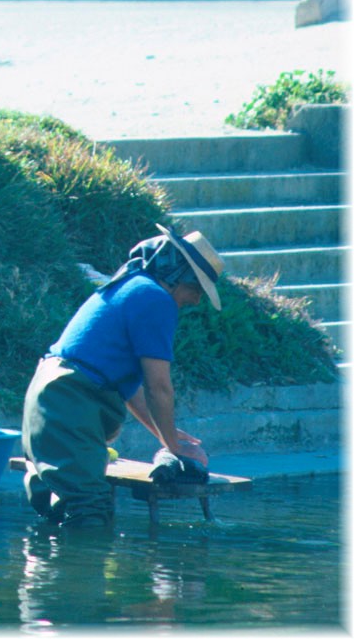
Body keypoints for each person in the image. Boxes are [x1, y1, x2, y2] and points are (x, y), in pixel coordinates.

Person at [21, 224, 224, 530]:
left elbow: (132, 392)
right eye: (196, 290)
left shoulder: (133, 288)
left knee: (62, 509)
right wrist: (173, 447)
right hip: (68, 400)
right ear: (178, 275)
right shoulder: (155, 299)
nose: (196, 301)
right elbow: (159, 389)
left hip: (49, 397)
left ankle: (50, 575)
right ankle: (73, 575)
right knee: (91, 511)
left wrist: (164, 436)